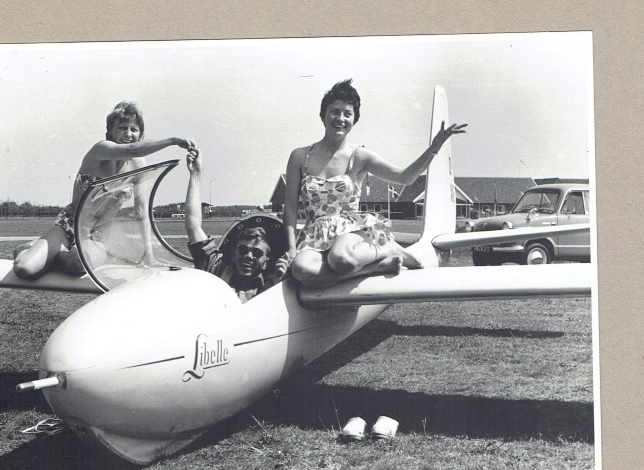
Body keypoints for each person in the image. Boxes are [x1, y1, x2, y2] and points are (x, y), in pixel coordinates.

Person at [283, 79, 466, 287]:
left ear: (354, 119)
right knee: (301, 269)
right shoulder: (300, 157)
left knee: (341, 260)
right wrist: (291, 249)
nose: (340, 118)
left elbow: (404, 177)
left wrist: (434, 148)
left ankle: (389, 248)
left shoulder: (360, 156)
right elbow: (290, 208)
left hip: (350, 231)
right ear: (323, 114)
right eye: (334, 111)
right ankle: (374, 267)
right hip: (314, 233)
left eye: (347, 114)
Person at [13, 101, 195, 279]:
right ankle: (33, 249)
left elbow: (142, 211)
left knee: (77, 262)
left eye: (134, 129)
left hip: (98, 236)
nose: (128, 134)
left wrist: (149, 253)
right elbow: (131, 150)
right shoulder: (100, 149)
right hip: (69, 225)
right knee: (24, 269)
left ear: (140, 134)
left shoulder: (139, 165)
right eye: (122, 128)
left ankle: (53, 253)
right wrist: (173, 141)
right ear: (110, 132)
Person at [184, 148, 288, 303]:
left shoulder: (273, 286)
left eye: (257, 253)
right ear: (233, 253)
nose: (248, 257)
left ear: (267, 261)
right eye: (243, 249)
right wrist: (195, 174)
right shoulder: (217, 270)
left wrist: (280, 285)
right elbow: (193, 226)